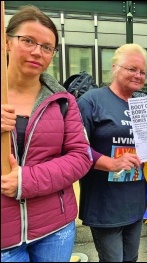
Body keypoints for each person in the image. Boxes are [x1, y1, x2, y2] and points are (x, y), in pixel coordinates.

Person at [1, 5, 93, 262]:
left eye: (46, 47)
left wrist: (26, 180)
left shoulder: (63, 102)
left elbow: (81, 157)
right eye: (28, 40)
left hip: (55, 228)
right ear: (7, 42)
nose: (36, 52)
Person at [77, 43, 147, 262]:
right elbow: (76, 148)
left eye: (142, 72)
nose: (138, 75)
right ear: (114, 67)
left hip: (135, 200)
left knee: (131, 259)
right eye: (132, 69)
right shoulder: (91, 101)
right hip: (104, 203)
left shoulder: (143, 103)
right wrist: (111, 163)